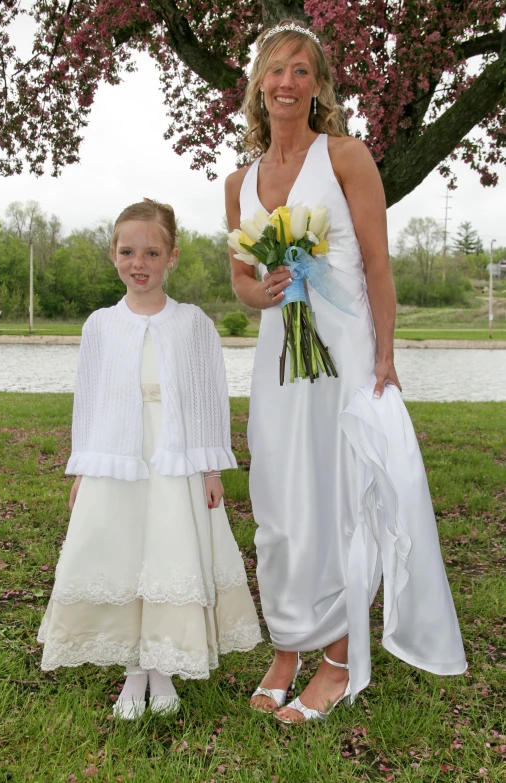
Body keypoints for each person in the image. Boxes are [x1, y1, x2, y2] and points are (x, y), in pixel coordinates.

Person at [225, 21, 467, 723]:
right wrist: (259, 289)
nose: (287, 83)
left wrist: (385, 355)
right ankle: (287, 642)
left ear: (319, 84)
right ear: (258, 84)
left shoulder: (347, 157)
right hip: (280, 359)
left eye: (302, 70)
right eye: (276, 70)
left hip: (345, 352)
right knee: (277, 496)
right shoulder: (239, 179)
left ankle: (335, 655)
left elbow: (378, 263)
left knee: (336, 496)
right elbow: (240, 283)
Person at [38, 198, 262, 719]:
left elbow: (209, 396)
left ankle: (161, 669)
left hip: (174, 456)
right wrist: (84, 467)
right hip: (118, 457)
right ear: (113, 255)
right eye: (127, 251)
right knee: (121, 550)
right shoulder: (100, 325)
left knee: (167, 550)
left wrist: (209, 468)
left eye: (151, 252)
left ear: (172, 257)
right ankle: (132, 673)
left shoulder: (192, 324)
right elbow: (89, 399)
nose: (139, 263)